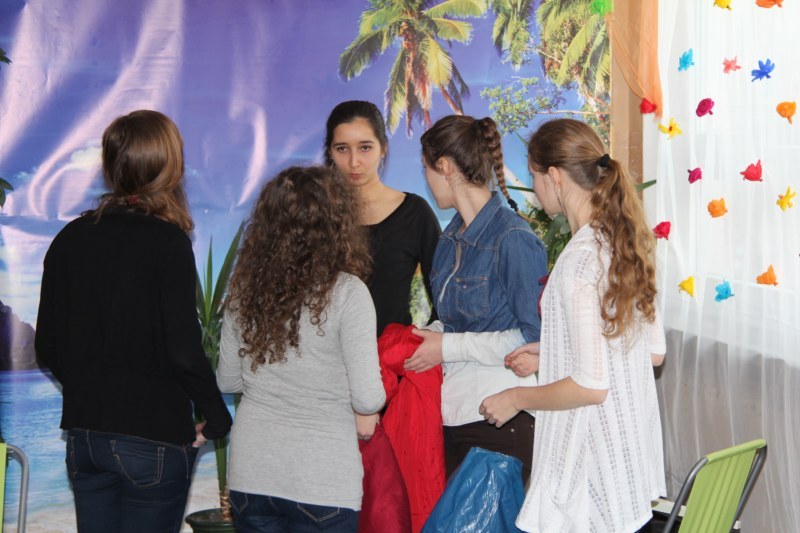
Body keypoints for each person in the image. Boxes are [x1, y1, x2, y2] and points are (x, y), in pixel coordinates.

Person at [34, 110, 232, 533]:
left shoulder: (69, 238)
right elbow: (183, 349)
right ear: (170, 166)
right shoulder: (168, 242)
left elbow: (46, 345)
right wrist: (217, 418)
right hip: (153, 439)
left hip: (86, 436)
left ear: (111, 165)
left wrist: (94, 388)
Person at [480, 119, 667, 532]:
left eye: (533, 175)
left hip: (589, 481)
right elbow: (650, 351)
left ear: (554, 176)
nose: (535, 187)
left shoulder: (578, 262)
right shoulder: (623, 244)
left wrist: (515, 398)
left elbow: (590, 386)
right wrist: (556, 349)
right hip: (627, 475)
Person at [217, 165, 386, 533]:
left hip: (251, 476)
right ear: (338, 225)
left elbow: (228, 381)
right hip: (322, 482)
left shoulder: (244, 293)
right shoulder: (348, 293)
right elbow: (368, 399)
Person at [404, 114, 549, 481]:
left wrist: (446, 347)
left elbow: (535, 338)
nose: (425, 179)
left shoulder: (513, 237)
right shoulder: (448, 240)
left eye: (425, 168)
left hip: (502, 419)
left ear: (444, 166)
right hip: (453, 416)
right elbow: (456, 325)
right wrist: (424, 337)